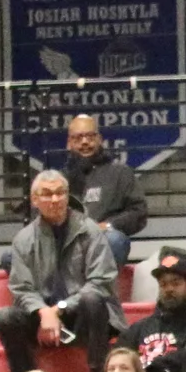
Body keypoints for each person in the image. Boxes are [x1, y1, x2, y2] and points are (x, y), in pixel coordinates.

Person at [0, 169, 119, 372]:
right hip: (42, 320)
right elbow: (21, 288)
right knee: (5, 317)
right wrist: (43, 312)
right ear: (34, 200)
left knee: (93, 299)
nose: (55, 199)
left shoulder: (89, 231)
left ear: (68, 195)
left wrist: (57, 310)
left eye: (60, 192)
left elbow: (100, 282)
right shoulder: (24, 239)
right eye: (47, 194)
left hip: (82, 316)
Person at [60, 114, 149, 269]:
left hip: (102, 241)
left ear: (100, 139)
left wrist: (108, 225)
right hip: (65, 246)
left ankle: (95, 290)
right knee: (11, 257)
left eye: (90, 136)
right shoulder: (58, 180)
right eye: (78, 138)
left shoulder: (121, 173)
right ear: (69, 143)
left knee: (116, 240)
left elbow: (138, 212)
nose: (85, 142)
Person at [126, 247, 186, 372]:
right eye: (163, 284)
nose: (169, 289)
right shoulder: (140, 328)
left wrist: (158, 367)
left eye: (176, 283)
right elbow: (118, 358)